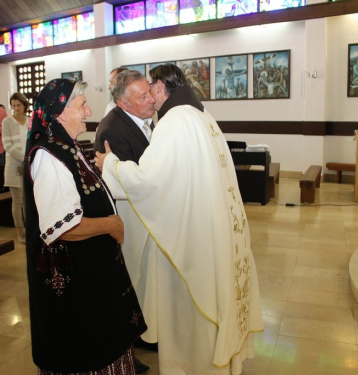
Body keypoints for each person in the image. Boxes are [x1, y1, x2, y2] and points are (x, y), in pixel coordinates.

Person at [95, 64, 263, 374]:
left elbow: (150, 182)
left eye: (150, 90)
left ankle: (192, 366)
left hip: (192, 235)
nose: (149, 98)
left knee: (189, 314)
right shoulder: (201, 116)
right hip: (212, 227)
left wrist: (111, 164)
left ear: (160, 87)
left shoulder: (174, 122)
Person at [24, 79, 146, 375]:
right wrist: (111, 223)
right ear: (61, 113)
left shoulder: (68, 146)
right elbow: (60, 227)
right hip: (73, 273)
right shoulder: (49, 155)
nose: (89, 110)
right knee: (85, 343)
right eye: (82, 105)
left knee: (106, 333)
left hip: (90, 267)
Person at [94, 69, 156, 374]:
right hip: (128, 217)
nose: (151, 99)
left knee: (143, 280)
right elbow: (123, 182)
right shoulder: (112, 130)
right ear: (123, 102)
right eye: (142, 95)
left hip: (144, 214)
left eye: (150, 91)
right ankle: (127, 350)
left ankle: (144, 332)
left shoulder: (142, 120)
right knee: (129, 283)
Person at [2, 92, 29, 244]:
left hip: (28, 164)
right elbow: (7, 146)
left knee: (27, 200)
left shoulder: (30, 121)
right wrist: (24, 158)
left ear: (24, 105)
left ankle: (29, 229)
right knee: (17, 200)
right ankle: (20, 232)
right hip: (14, 165)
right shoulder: (7, 121)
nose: (16, 108)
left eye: (18, 105)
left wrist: (30, 158)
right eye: (13, 106)